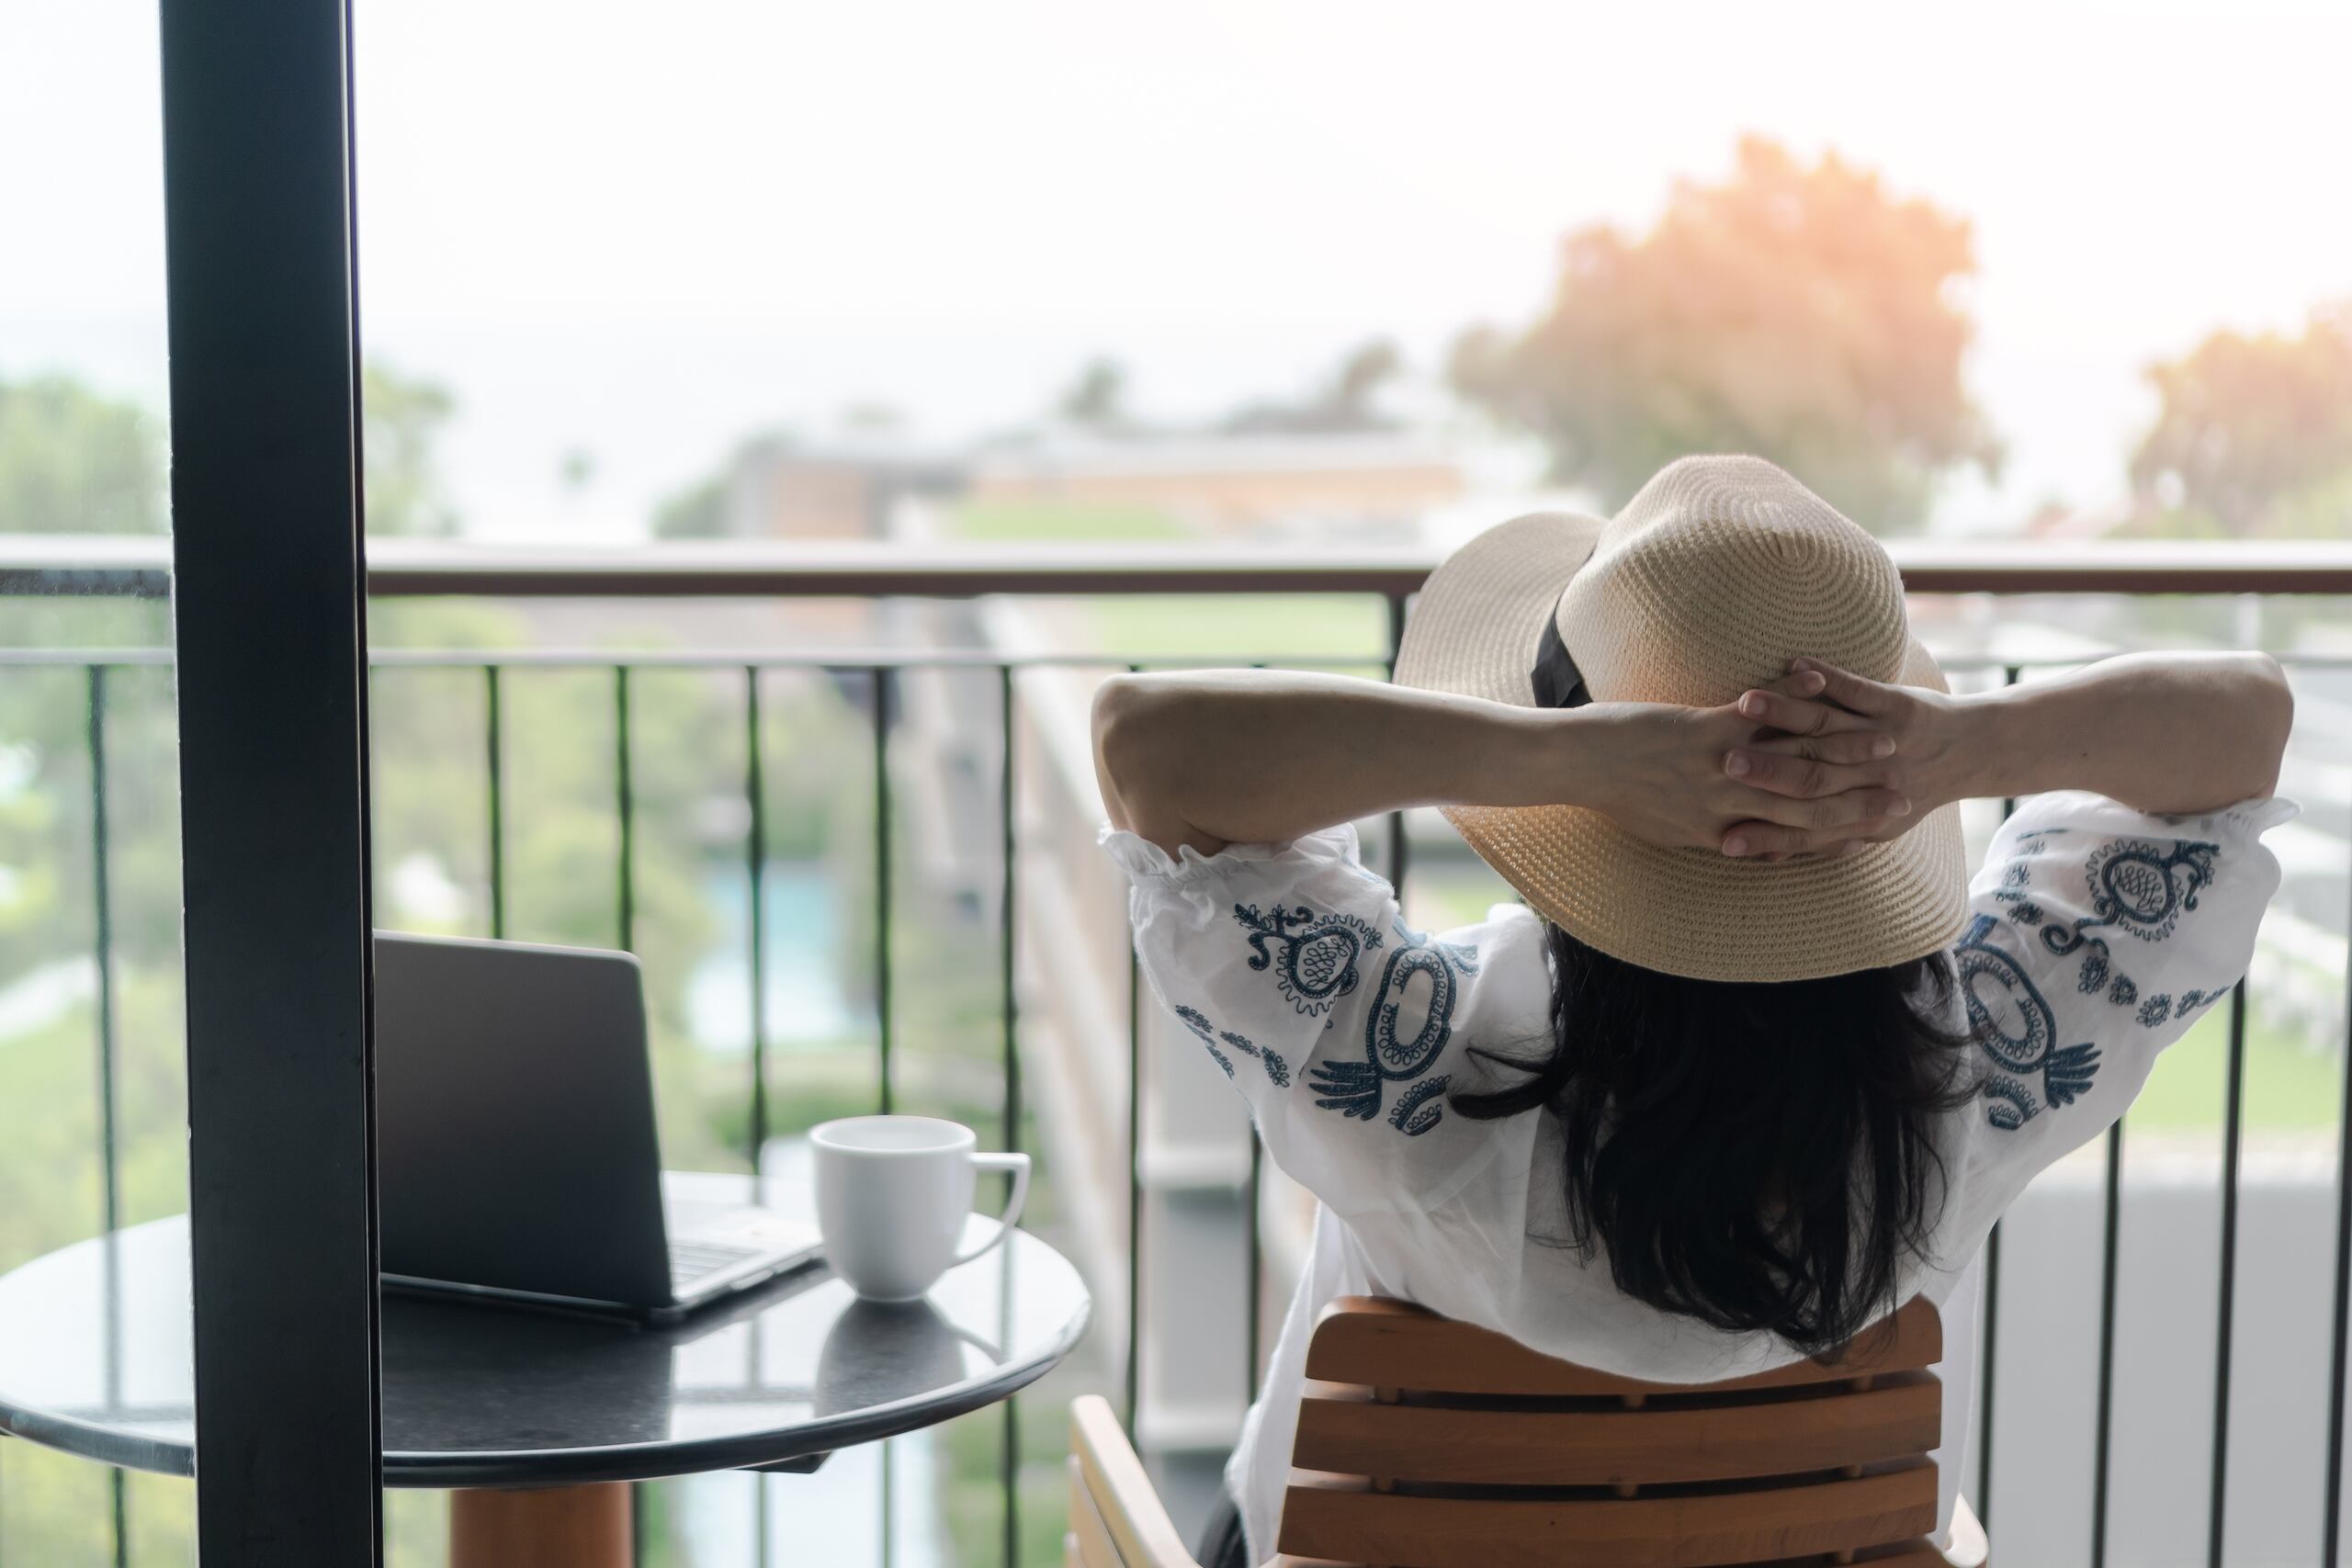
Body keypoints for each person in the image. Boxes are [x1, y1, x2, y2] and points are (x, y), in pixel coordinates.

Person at [1091, 456, 2294, 1568]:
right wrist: (1950, 750)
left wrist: (1563, 762)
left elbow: (1151, 747)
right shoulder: (1981, 1074)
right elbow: (2244, 717)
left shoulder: (1408, 1069)